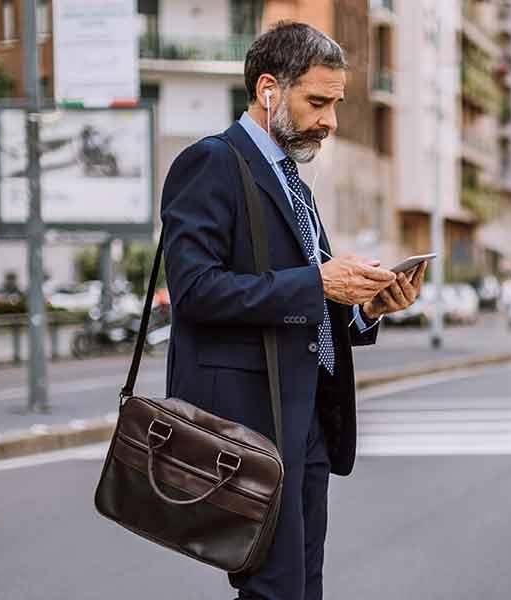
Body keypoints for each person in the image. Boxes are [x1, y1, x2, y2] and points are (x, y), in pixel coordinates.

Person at [159, 21, 424, 600]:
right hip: (246, 425)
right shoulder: (212, 163)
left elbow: (311, 295)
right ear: (268, 90)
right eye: (318, 102)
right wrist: (318, 283)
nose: (330, 120)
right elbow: (196, 290)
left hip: (302, 419)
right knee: (276, 590)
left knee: (301, 588)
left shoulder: (291, 180)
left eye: (336, 103)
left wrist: (367, 307)